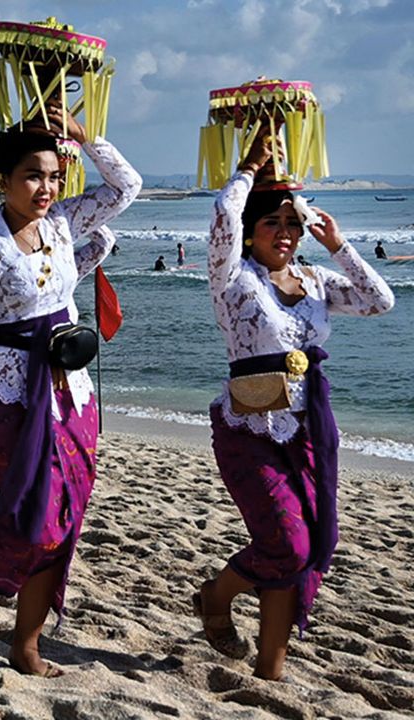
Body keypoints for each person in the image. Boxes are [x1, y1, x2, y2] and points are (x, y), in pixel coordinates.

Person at [0, 108, 142, 677]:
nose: (46, 188)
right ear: (3, 179)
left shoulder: (65, 223)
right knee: (28, 522)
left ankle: (26, 644)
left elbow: (126, 186)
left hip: (73, 395)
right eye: (32, 176)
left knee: (64, 521)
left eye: (54, 175)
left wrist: (88, 139)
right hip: (12, 398)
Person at [194, 128, 394, 681]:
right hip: (247, 430)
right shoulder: (232, 278)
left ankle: (271, 671)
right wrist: (247, 170)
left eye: (291, 223)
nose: (283, 233)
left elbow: (381, 301)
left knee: (301, 550)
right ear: (250, 232)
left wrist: (339, 247)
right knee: (286, 542)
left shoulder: (317, 278)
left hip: (306, 431)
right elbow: (219, 217)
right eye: (270, 222)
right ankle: (217, 593)